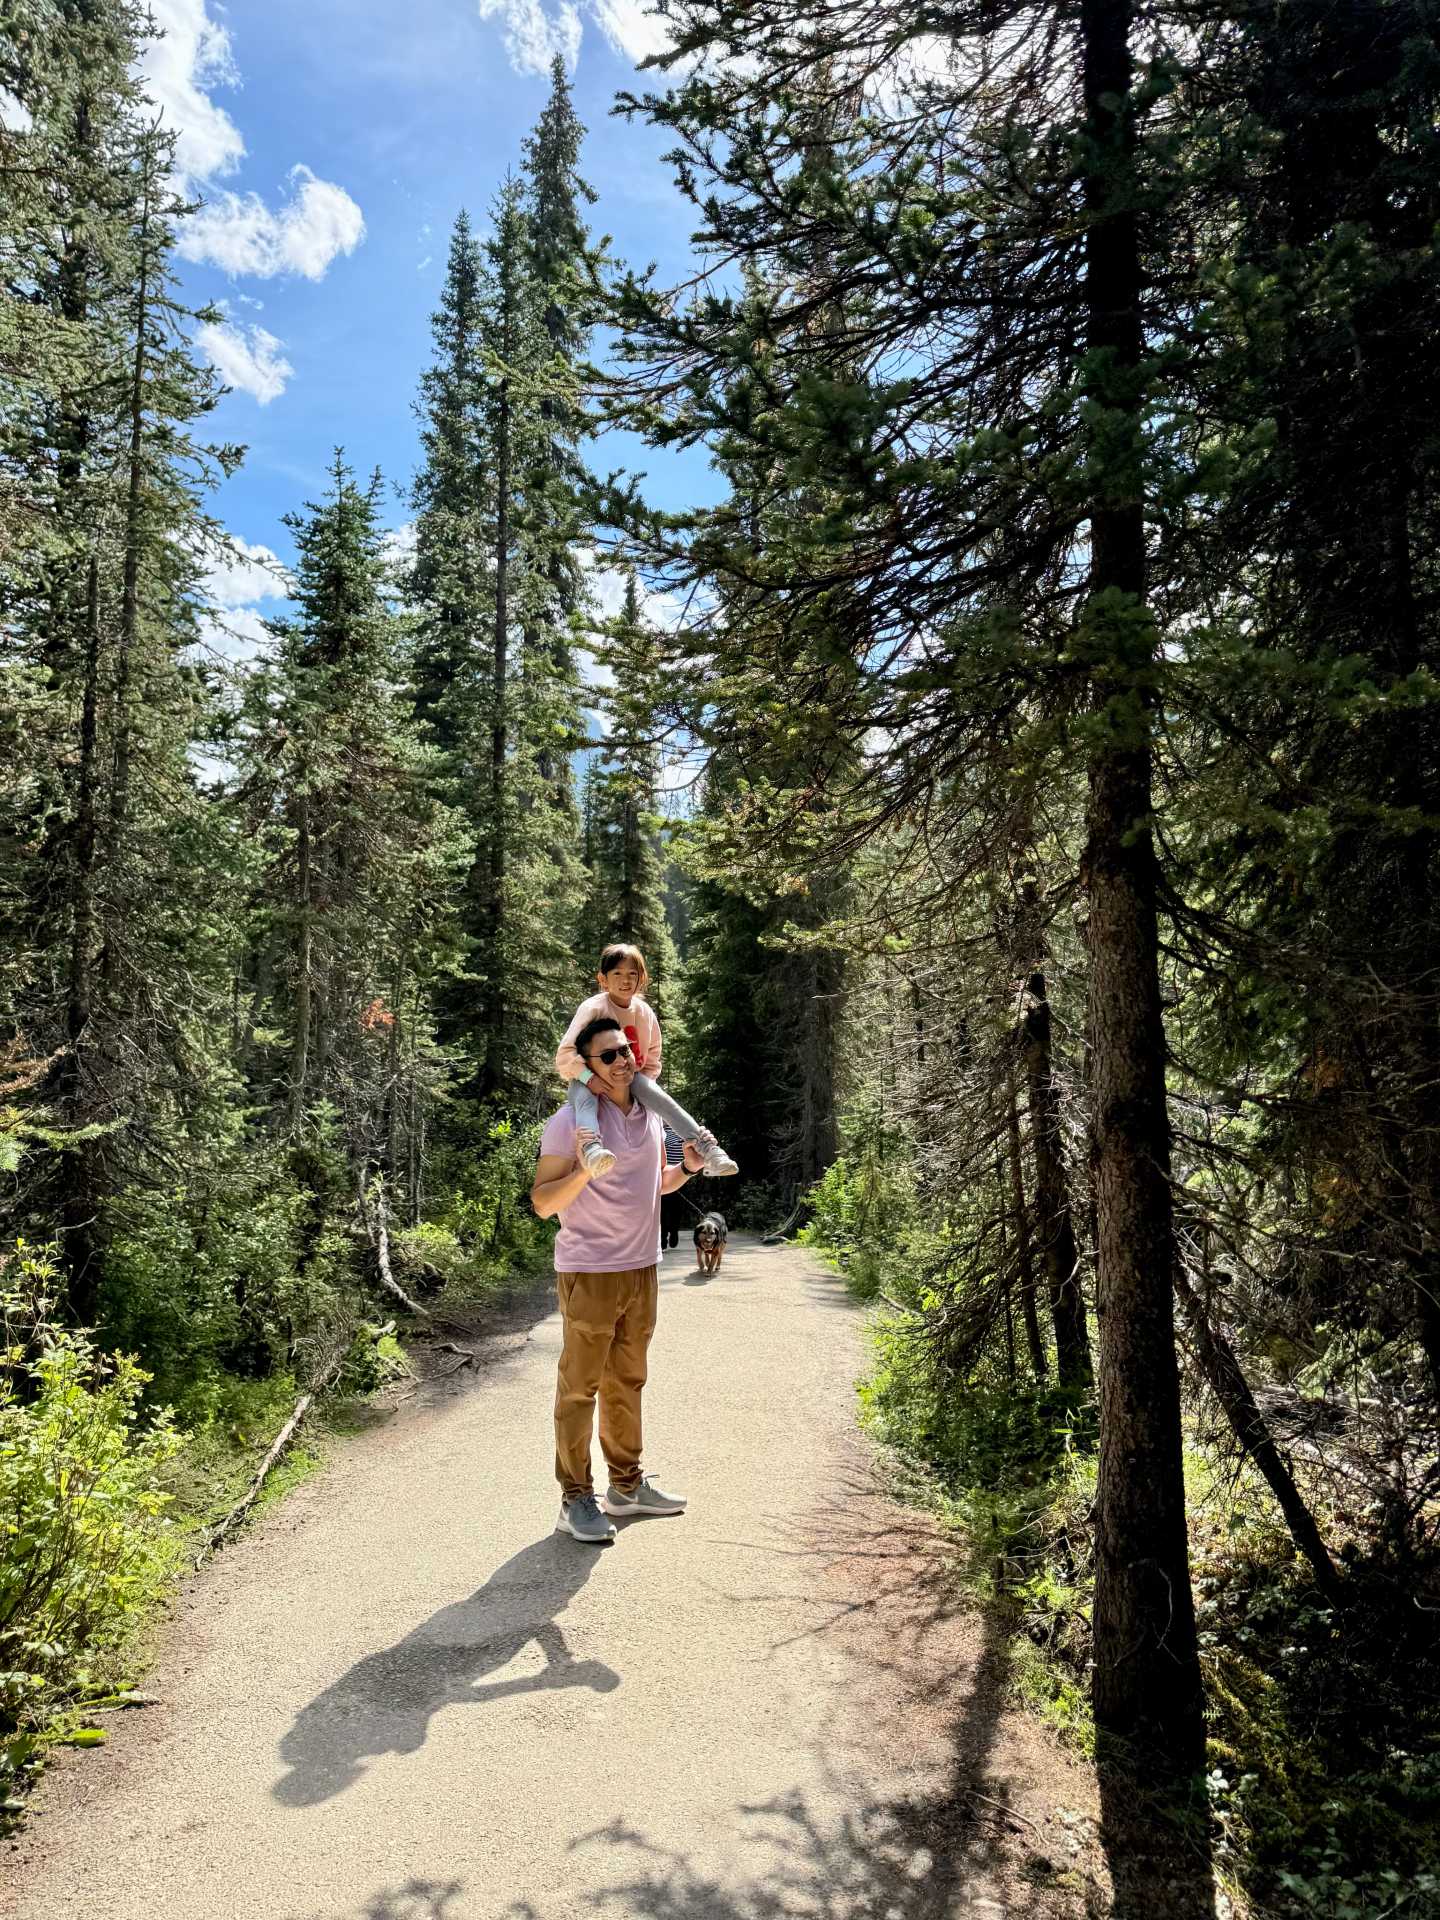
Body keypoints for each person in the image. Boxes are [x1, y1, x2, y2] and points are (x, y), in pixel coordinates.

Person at [531, 1014, 707, 1544]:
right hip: (590, 1270)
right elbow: (542, 1202)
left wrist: (691, 1166)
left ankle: (626, 1488)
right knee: (580, 1388)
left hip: (642, 1267)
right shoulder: (570, 1123)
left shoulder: (650, 1119)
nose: (624, 1058)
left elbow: (654, 1186)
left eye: (626, 1048)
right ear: (588, 1068)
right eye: (608, 1054)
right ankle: (575, 1497)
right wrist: (584, 1169)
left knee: (627, 1381)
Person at [555, 943, 737, 1182]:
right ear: (603, 979)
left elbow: (652, 1055)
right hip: (588, 1076)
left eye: (632, 974)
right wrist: (589, 1078)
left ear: (642, 978)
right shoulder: (593, 1008)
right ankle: (591, 1149)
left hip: (631, 1078)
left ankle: (707, 1148)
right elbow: (565, 1054)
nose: (625, 980)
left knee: (664, 1101)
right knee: (585, 1101)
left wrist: (642, 1088)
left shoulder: (644, 1012)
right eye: (617, 974)